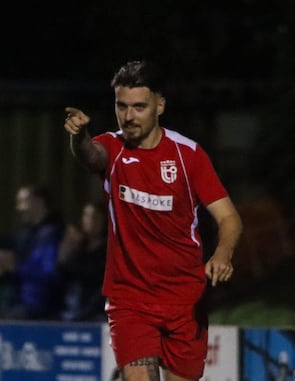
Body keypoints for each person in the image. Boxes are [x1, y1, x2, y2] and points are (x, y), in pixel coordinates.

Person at [64, 60, 242, 381]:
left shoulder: (188, 155)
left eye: (139, 107)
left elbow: (228, 216)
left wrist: (222, 254)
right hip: (129, 298)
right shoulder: (112, 148)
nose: (129, 116)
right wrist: (79, 136)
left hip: (185, 300)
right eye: (122, 106)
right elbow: (91, 155)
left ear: (160, 105)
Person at [0, 184, 64, 319]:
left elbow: (48, 272)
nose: (19, 208)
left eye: (23, 202)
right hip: (19, 300)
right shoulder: (27, 234)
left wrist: (15, 267)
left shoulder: (52, 234)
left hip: (40, 305)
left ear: (38, 201)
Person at [57, 201, 107, 321]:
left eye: (95, 217)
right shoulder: (80, 246)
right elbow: (61, 272)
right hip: (73, 303)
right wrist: (67, 249)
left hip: (96, 308)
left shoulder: (109, 248)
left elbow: (95, 275)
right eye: (86, 216)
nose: (90, 221)